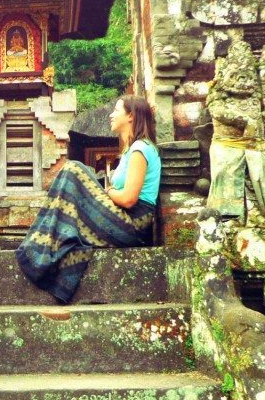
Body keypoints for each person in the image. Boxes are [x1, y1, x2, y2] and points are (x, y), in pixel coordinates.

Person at [16, 95, 161, 303]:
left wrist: (109, 192)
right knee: (73, 172)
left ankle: (41, 245)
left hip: (132, 226)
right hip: (123, 218)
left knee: (74, 169)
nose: (111, 115)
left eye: (116, 110)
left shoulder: (141, 149)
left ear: (131, 116)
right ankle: (45, 242)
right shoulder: (131, 150)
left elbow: (129, 199)